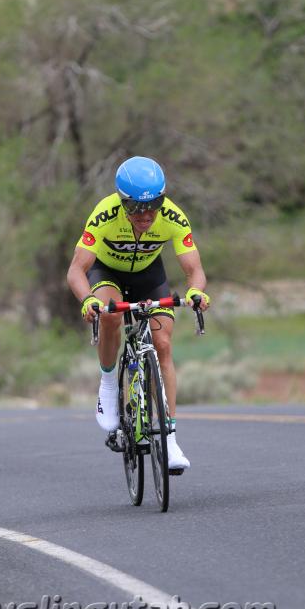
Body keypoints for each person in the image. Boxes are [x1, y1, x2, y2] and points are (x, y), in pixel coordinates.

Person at [67, 156, 210, 471]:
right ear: (122, 202)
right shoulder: (104, 214)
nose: (146, 215)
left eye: (153, 205)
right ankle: (107, 385)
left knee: (164, 345)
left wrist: (196, 291)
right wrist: (87, 299)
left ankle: (170, 441)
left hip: (148, 276)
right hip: (107, 274)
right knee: (111, 316)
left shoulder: (172, 216)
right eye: (136, 208)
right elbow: (77, 270)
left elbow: (194, 269)